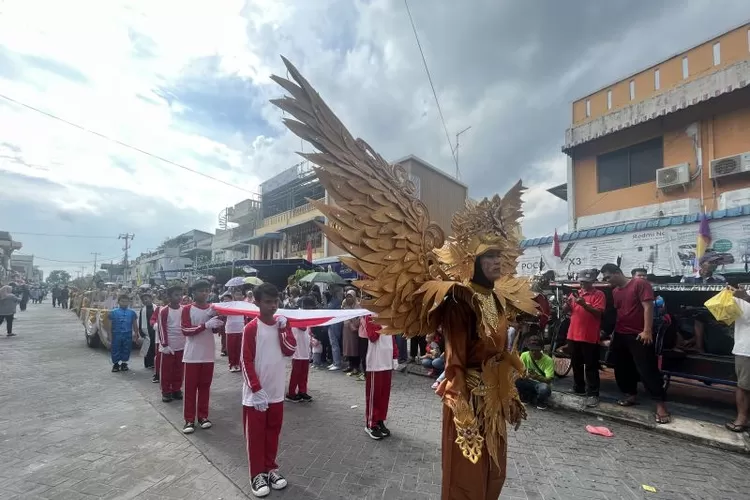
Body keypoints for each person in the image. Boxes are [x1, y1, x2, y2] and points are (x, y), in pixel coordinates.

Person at [269, 61, 539, 499]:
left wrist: (510, 365)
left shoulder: (500, 297)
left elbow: (502, 340)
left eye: (499, 256)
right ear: (472, 259)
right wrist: (482, 375)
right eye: (488, 256)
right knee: (466, 475)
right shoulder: (456, 298)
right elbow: (458, 352)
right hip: (467, 393)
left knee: (495, 471)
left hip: (495, 394)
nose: (496, 263)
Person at [241, 283, 296, 498]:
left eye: (276, 302)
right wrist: (255, 389)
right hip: (256, 395)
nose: (273, 306)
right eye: (268, 302)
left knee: (273, 432)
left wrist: (283, 329)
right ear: (256, 302)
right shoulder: (251, 328)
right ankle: (257, 474)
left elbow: (290, 350)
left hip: (276, 392)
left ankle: (271, 468)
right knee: (256, 436)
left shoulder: (283, 325)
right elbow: (245, 361)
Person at [600, 263, 671, 424]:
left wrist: (647, 330)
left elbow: (648, 307)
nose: (607, 280)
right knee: (622, 367)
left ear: (618, 272)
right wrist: (611, 334)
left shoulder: (639, 283)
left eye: (608, 277)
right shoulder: (615, 291)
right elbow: (619, 312)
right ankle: (630, 394)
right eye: (605, 278)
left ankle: (660, 405)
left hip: (639, 334)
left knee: (647, 369)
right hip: (621, 333)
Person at [181, 280, 223, 434]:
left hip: (208, 354)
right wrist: (205, 324)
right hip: (192, 355)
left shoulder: (212, 309)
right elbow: (186, 330)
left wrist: (219, 321)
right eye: (201, 291)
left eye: (207, 290)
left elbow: (214, 330)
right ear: (194, 292)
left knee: (205, 387)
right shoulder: (187, 309)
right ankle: (189, 419)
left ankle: (203, 416)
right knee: (190, 389)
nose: (205, 293)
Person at [563, 269, 605, 408]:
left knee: (591, 365)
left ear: (592, 282)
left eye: (586, 282)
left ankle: (593, 393)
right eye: (581, 281)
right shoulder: (575, 294)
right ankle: (579, 387)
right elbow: (566, 311)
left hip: (589, 335)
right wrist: (566, 304)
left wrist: (584, 305)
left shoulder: (599, 294)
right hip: (573, 334)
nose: (583, 285)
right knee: (576, 363)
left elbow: (598, 313)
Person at [363, 315, 397, 440]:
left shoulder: (389, 315)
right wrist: (379, 320)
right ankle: (371, 423)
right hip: (376, 363)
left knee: (384, 395)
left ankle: (380, 419)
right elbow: (372, 337)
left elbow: (392, 338)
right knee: (374, 395)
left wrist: (395, 356)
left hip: (387, 361)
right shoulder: (369, 316)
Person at [156, 286, 186, 403]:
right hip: (168, 346)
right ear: (169, 297)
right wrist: (165, 345)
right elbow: (161, 329)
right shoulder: (164, 311)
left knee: (179, 369)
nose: (179, 297)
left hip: (181, 344)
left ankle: (176, 388)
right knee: (166, 370)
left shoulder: (184, 309)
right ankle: (166, 391)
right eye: (176, 295)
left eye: (180, 295)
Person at [726, 285, 750, 433]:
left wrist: (745, 297)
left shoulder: (744, 294)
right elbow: (725, 318)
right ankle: (741, 419)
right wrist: (725, 298)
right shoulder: (739, 293)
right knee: (743, 385)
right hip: (746, 347)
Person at [286, 296, 316, 402]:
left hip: (305, 348)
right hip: (297, 349)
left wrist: (312, 338)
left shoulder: (306, 316)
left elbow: (308, 330)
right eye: (311, 308)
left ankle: (302, 391)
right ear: (306, 306)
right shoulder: (298, 315)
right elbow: (302, 327)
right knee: (296, 373)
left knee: (304, 373)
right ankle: (291, 393)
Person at [516, 336, 554, 409]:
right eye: (532, 350)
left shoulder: (548, 360)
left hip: (540, 383)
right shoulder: (524, 355)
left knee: (544, 389)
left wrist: (536, 376)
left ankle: (540, 401)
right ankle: (525, 396)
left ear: (541, 349)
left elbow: (549, 380)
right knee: (516, 380)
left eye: (536, 350)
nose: (533, 352)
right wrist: (523, 375)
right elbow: (519, 370)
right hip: (528, 381)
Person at [108, 294, 138, 372]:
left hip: (128, 334)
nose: (124, 303)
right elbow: (109, 326)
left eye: (126, 301)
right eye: (122, 301)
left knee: (126, 348)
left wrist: (136, 333)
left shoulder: (132, 313)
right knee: (115, 348)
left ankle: (124, 364)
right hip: (116, 334)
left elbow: (134, 324)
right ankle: (116, 364)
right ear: (118, 302)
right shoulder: (113, 312)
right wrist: (110, 336)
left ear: (129, 302)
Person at [224, 289, 246, 372]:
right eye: (237, 294)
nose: (239, 296)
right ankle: (232, 365)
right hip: (231, 329)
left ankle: (238, 364)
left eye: (240, 295)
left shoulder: (244, 304)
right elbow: (224, 313)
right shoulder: (230, 304)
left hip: (241, 328)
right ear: (234, 296)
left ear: (242, 296)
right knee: (231, 348)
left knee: (239, 348)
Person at [342, 293, 361, 376]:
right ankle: (350, 365)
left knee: (355, 348)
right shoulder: (345, 306)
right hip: (347, 331)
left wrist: (353, 324)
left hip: (355, 330)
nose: (349, 298)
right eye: (347, 297)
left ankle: (356, 367)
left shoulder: (358, 306)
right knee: (348, 348)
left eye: (350, 296)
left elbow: (360, 318)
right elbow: (343, 317)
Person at [326, 287, 344, 371]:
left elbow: (328, 309)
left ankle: (337, 363)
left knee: (334, 343)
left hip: (334, 324)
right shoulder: (334, 300)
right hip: (333, 323)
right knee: (333, 343)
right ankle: (335, 361)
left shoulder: (336, 301)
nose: (329, 291)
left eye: (330, 289)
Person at [138, 292, 157, 370]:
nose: (145, 301)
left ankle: (155, 362)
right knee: (148, 348)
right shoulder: (142, 310)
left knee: (154, 347)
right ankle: (149, 363)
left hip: (155, 330)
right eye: (143, 300)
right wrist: (141, 332)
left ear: (151, 299)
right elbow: (140, 321)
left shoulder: (156, 308)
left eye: (146, 298)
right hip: (147, 331)